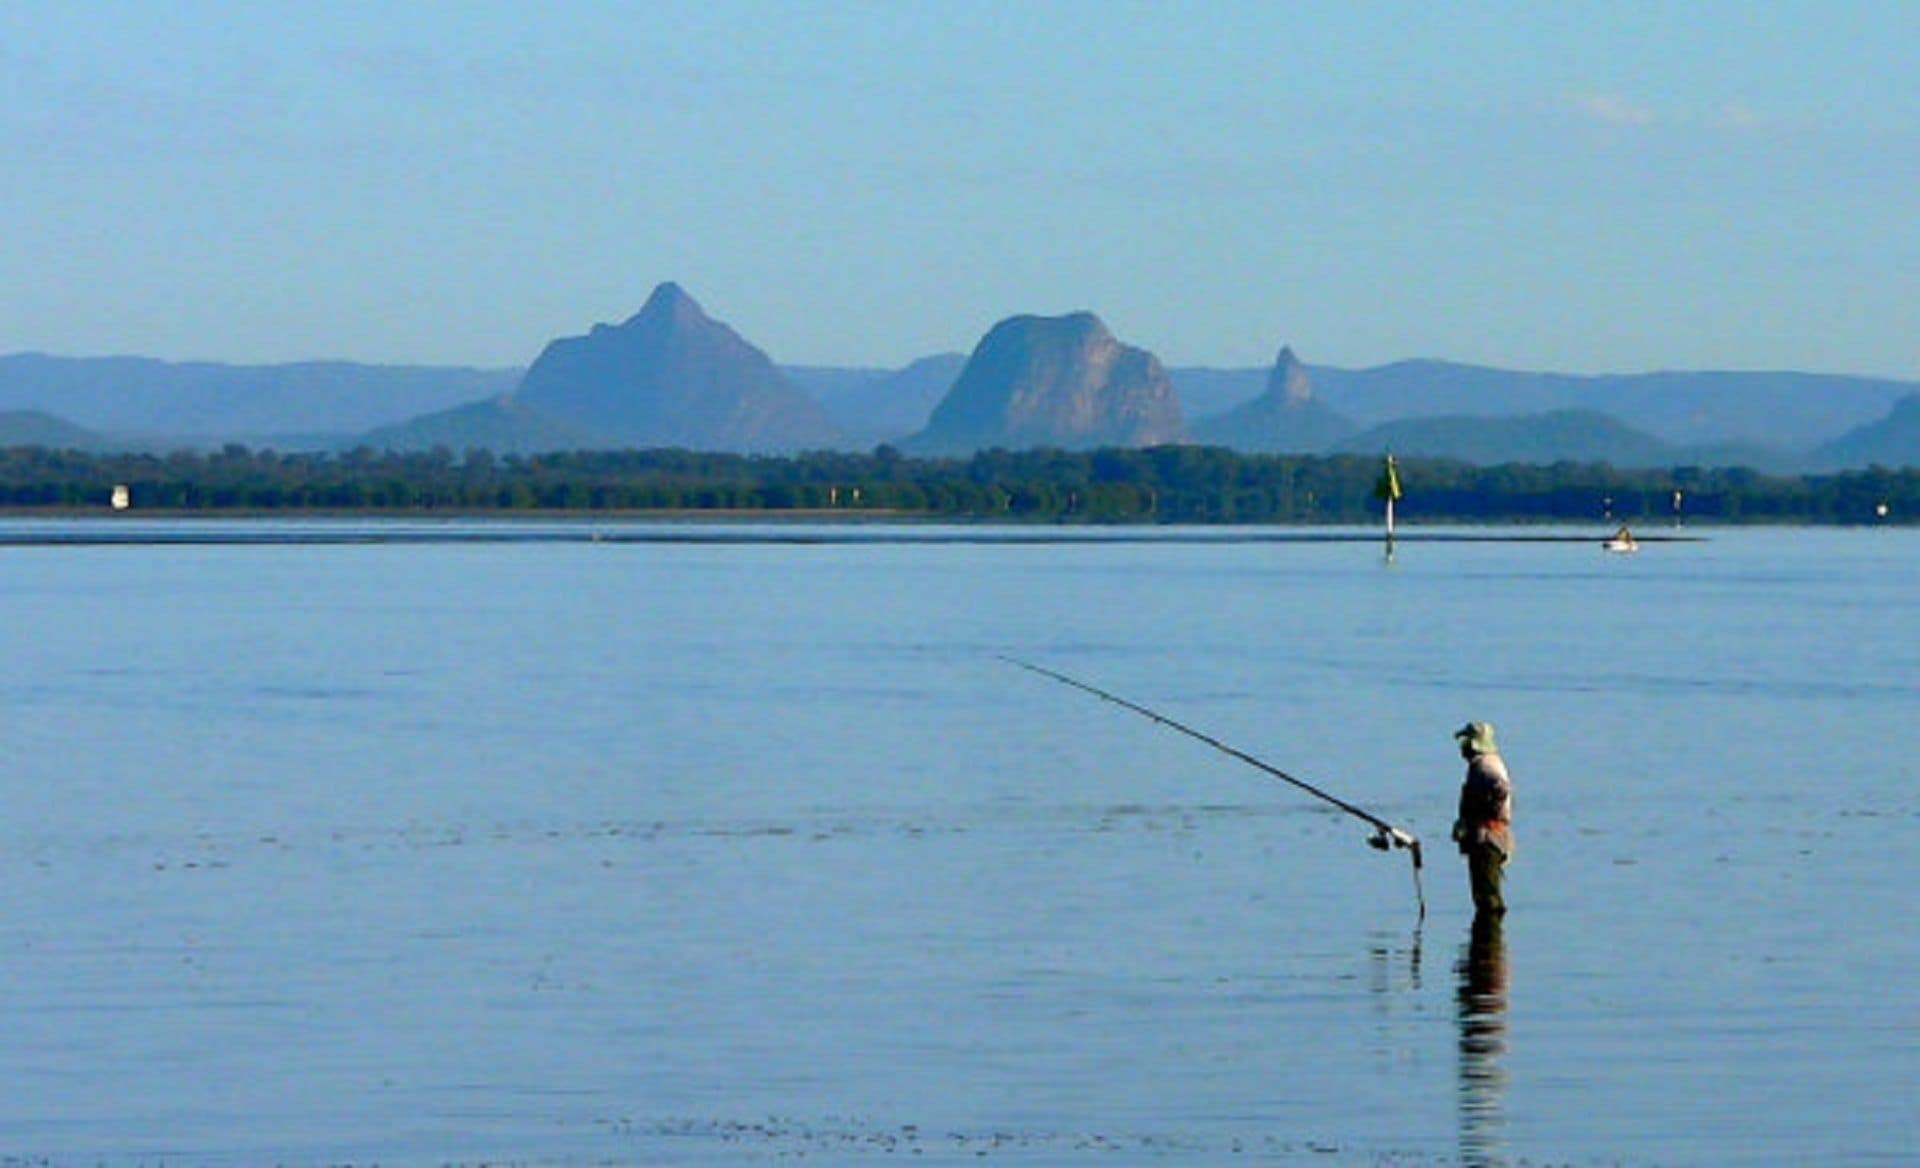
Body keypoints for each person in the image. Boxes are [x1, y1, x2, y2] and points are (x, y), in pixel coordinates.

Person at [1451, 722, 1514, 917]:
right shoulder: (1482, 763)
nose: (1462, 747)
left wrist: (1487, 817)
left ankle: (1490, 940)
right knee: (1486, 892)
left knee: (1487, 896)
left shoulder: (1485, 765)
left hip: (1488, 838)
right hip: (1487, 835)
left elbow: (1500, 789)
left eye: (1465, 742)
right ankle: (1488, 940)